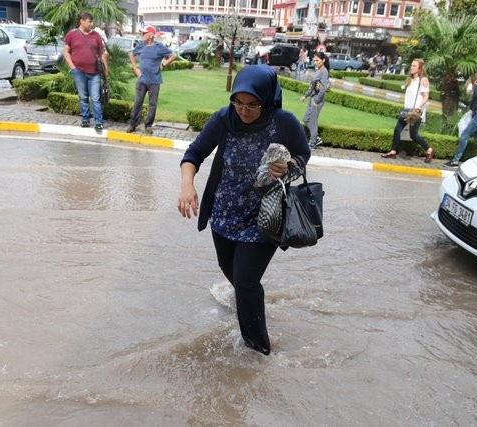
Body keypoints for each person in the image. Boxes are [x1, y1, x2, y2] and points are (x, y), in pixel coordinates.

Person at [177, 66, 310, 356]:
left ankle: (259, 350)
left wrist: (289, 166)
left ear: (267, 100)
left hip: (266, 217)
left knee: (246, 281)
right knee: (234, 275)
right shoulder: (224, 119)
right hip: (224, 215)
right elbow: (194, 154)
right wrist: (187, 185)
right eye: (238, 102)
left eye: (252, 105)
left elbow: (303, 155)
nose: (244, 111)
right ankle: (251, 307)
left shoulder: (283, 122)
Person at [381, 58, 434, 163]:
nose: (411, 67)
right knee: (397, 130)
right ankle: (393, 151)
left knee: (413, 135)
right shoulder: (410, 79)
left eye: (414, 66)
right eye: (411, 65)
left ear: (419, 69)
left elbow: (426, 97)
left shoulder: (423, 80)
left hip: (415, 112)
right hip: (406, 110)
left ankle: (429, 149)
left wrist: (419, 107)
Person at [127, 25, 177, 134]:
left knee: (152, 104)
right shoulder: (141, 45)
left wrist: (164, 64)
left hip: (154, 80)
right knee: (137, 102)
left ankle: (148, 125)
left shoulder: (159, 47)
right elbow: (131, 54)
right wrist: (135, 68)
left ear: (151, 35)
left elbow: (173, 55)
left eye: (144, 33)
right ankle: (133, 124)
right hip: (142, 80)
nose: (142, 35)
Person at [63, 12, 109, 131]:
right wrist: (73, 67)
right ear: (82, 21)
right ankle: (85, 120)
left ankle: (99, 122)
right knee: (83, 97)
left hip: (94, 73)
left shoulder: (96, 36)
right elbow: (66, 51)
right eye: (89, 21)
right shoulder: (72, 34)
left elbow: (102, 53)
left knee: (95, 98)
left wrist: (106, 69)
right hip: (79, 72)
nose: (92, 24)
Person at [300, 51, 329, 150]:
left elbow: (324, 88)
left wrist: (316, 100)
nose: (315, 62)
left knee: (312, 121)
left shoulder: (324, 71)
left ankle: (312, 142)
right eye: (314, 60)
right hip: (312, 98)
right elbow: (312, 86)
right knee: (305, 119)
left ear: (323, 60)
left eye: (317, 60)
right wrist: (305, 95)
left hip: (317, 101)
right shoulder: (318, 70)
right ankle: (316, 138)